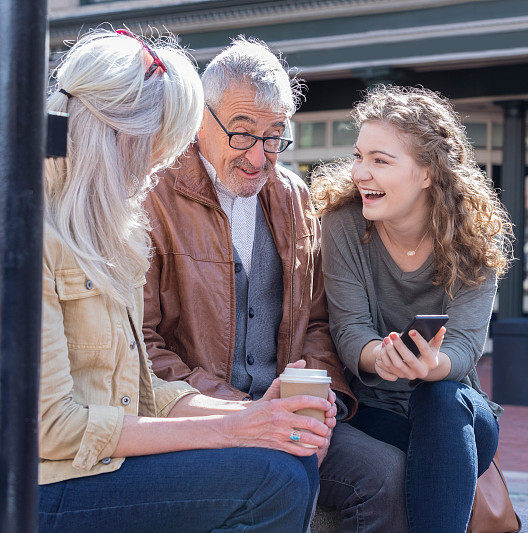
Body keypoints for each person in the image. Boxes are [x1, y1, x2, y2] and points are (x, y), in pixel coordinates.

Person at [38, 29, 329, 533]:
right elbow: (51, 430)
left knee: (286, 460)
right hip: (45, 484)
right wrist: (231, 427)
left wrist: (258, 416)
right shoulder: (31, 232)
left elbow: (142, 389)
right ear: (114, 135)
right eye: (156, 150)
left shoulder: (110, 232)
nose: (156, 170)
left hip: (101, 462)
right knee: (275, 477)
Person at [142, 38, 407, 532]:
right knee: (280, 473)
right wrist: (238, 413)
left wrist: (317, 400)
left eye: (274, 136)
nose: (259, 157)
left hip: (288, 413)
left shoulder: (293, 196)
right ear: (202, 119)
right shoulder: (154, 196)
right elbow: (143, 346)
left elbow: (319, 321)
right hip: (196, 418)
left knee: (385, 475)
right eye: (242, 134)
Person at [311, 85, 513, 532]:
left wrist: (432, 366)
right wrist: (378, 357)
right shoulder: (342, 226)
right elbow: (350, 332)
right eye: (359, 156)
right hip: (376, 413)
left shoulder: (474, 238)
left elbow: (463, 347)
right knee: (417, 457)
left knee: (438, 397)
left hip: (457, 413)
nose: (361, 172)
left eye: (380, 161)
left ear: (427, 172)